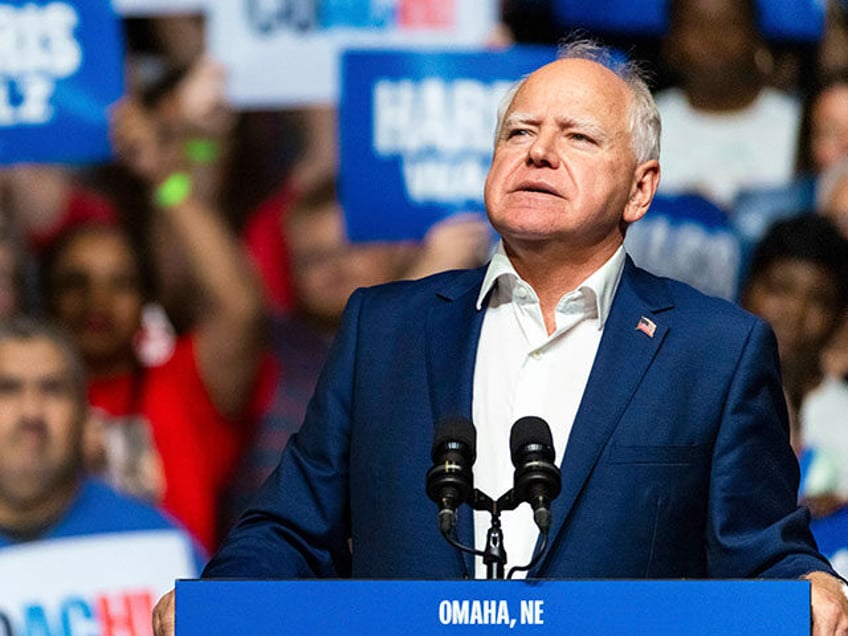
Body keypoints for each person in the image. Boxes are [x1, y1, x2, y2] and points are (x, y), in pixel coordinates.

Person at [154, 40, 848, 635]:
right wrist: (222, 598)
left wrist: (809, 585)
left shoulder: (714, 351)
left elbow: (760, 552)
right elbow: (288, 530)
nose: (539, 151)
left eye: (577, 136)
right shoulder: (384, 329)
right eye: (518, 133)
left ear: (641, 190)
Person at [0, 316, 202, 563]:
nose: (31, 412)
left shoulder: (157, 550)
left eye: (53, 389)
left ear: (85, 412)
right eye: (7, 389)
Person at [655, 0, 801, 211]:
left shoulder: (798, 124)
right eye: (696, 25)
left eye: (730, 24)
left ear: (756, 37)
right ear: (670, 42)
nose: (714, 40)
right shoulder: (645, 123)